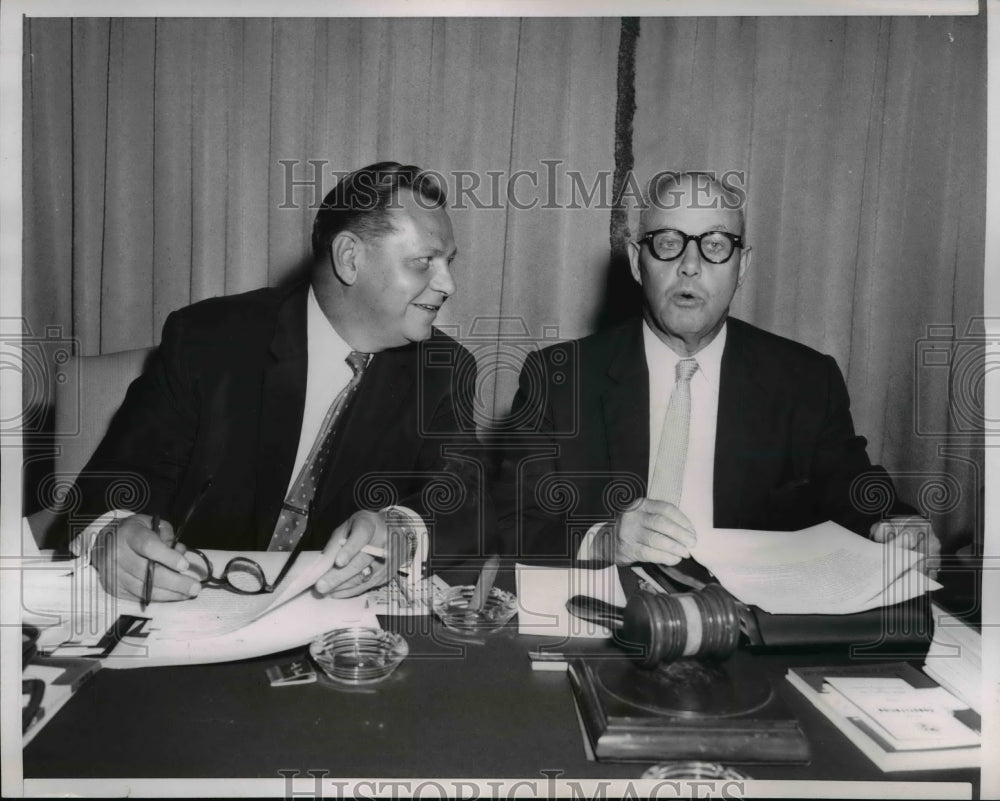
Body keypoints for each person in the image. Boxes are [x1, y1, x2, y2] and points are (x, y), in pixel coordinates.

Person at [62, 162, 490, 602]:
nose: (448, 284)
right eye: (425, 262)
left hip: (332, 628)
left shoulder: (444, 367)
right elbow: (111, 487)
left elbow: (463, 497)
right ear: (349, 258)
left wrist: (403, 530)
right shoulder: (207, 339)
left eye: (448, 262)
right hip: (192, 604)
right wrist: (112, 536)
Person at [503, 170, 940, 574]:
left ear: (742, 267)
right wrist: (602, 542)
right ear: (638, 263)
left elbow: (853, 491)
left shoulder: (806, 380)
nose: (690, 266)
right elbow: (509, 524)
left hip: (750, 632)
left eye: (715, 245)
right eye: (669, 242)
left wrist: (895, 524)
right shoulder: (557, 378)